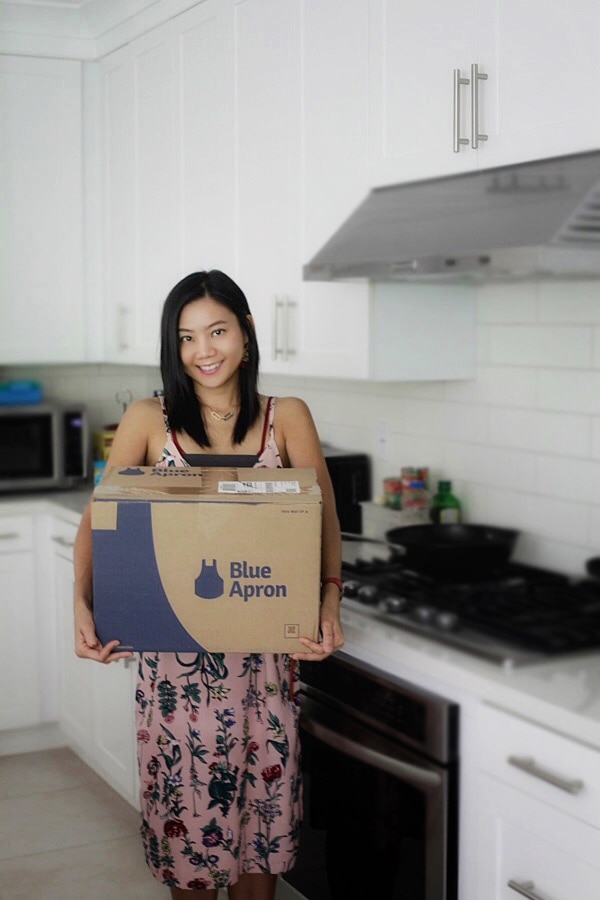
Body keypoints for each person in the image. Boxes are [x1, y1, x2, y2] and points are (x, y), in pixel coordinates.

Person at [73, 270, 344, 900]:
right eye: (187, 337)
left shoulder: (288, 418)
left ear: (246, 332)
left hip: (267, 669)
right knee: (186, 845)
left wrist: (330, 599)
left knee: (260, 840)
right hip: (174, 676)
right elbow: (99, 522)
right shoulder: (148, 418)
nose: (204, 351)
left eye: (217, 330)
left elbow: (324, 519)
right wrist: (81, 604)